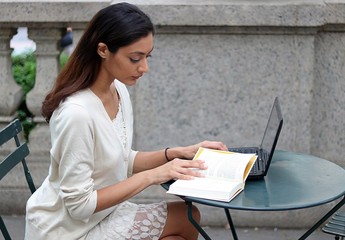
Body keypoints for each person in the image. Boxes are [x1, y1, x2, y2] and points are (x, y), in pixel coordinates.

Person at [25, 3, 228, 240]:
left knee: (187, 217)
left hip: (101, 215)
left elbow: (121, 158)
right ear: (103, 50)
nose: (144, 68)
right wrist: (153, 176)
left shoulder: (118, 89)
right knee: (186, 219)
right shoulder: (76, 114)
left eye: (147, 56)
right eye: (135, 58)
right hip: (65, 230)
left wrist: (176, 153)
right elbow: (79, 205)